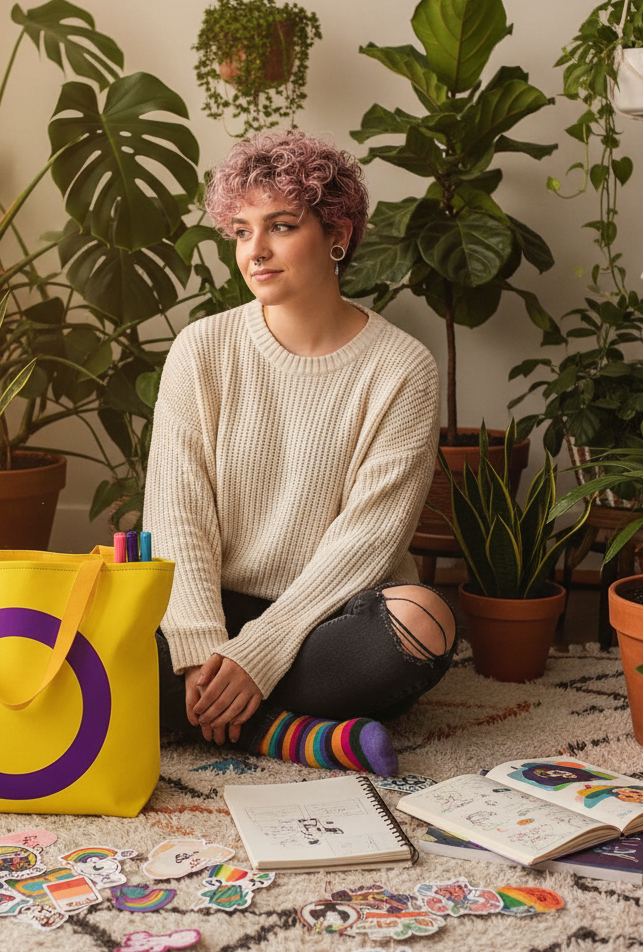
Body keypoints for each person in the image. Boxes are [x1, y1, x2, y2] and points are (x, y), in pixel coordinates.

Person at [143, 129, 456, 776]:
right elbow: (177, 516)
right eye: (241, 231)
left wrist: (261, 652)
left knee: (425, 621)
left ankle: (214, 712)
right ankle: (292, 735)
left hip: (327, 618)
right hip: (213, 609)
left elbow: (369, 540)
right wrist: (201, 650)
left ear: (338, 234)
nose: (255, 250)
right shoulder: (201, 349)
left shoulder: (402, 368)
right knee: (81, 644)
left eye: (281, 226)